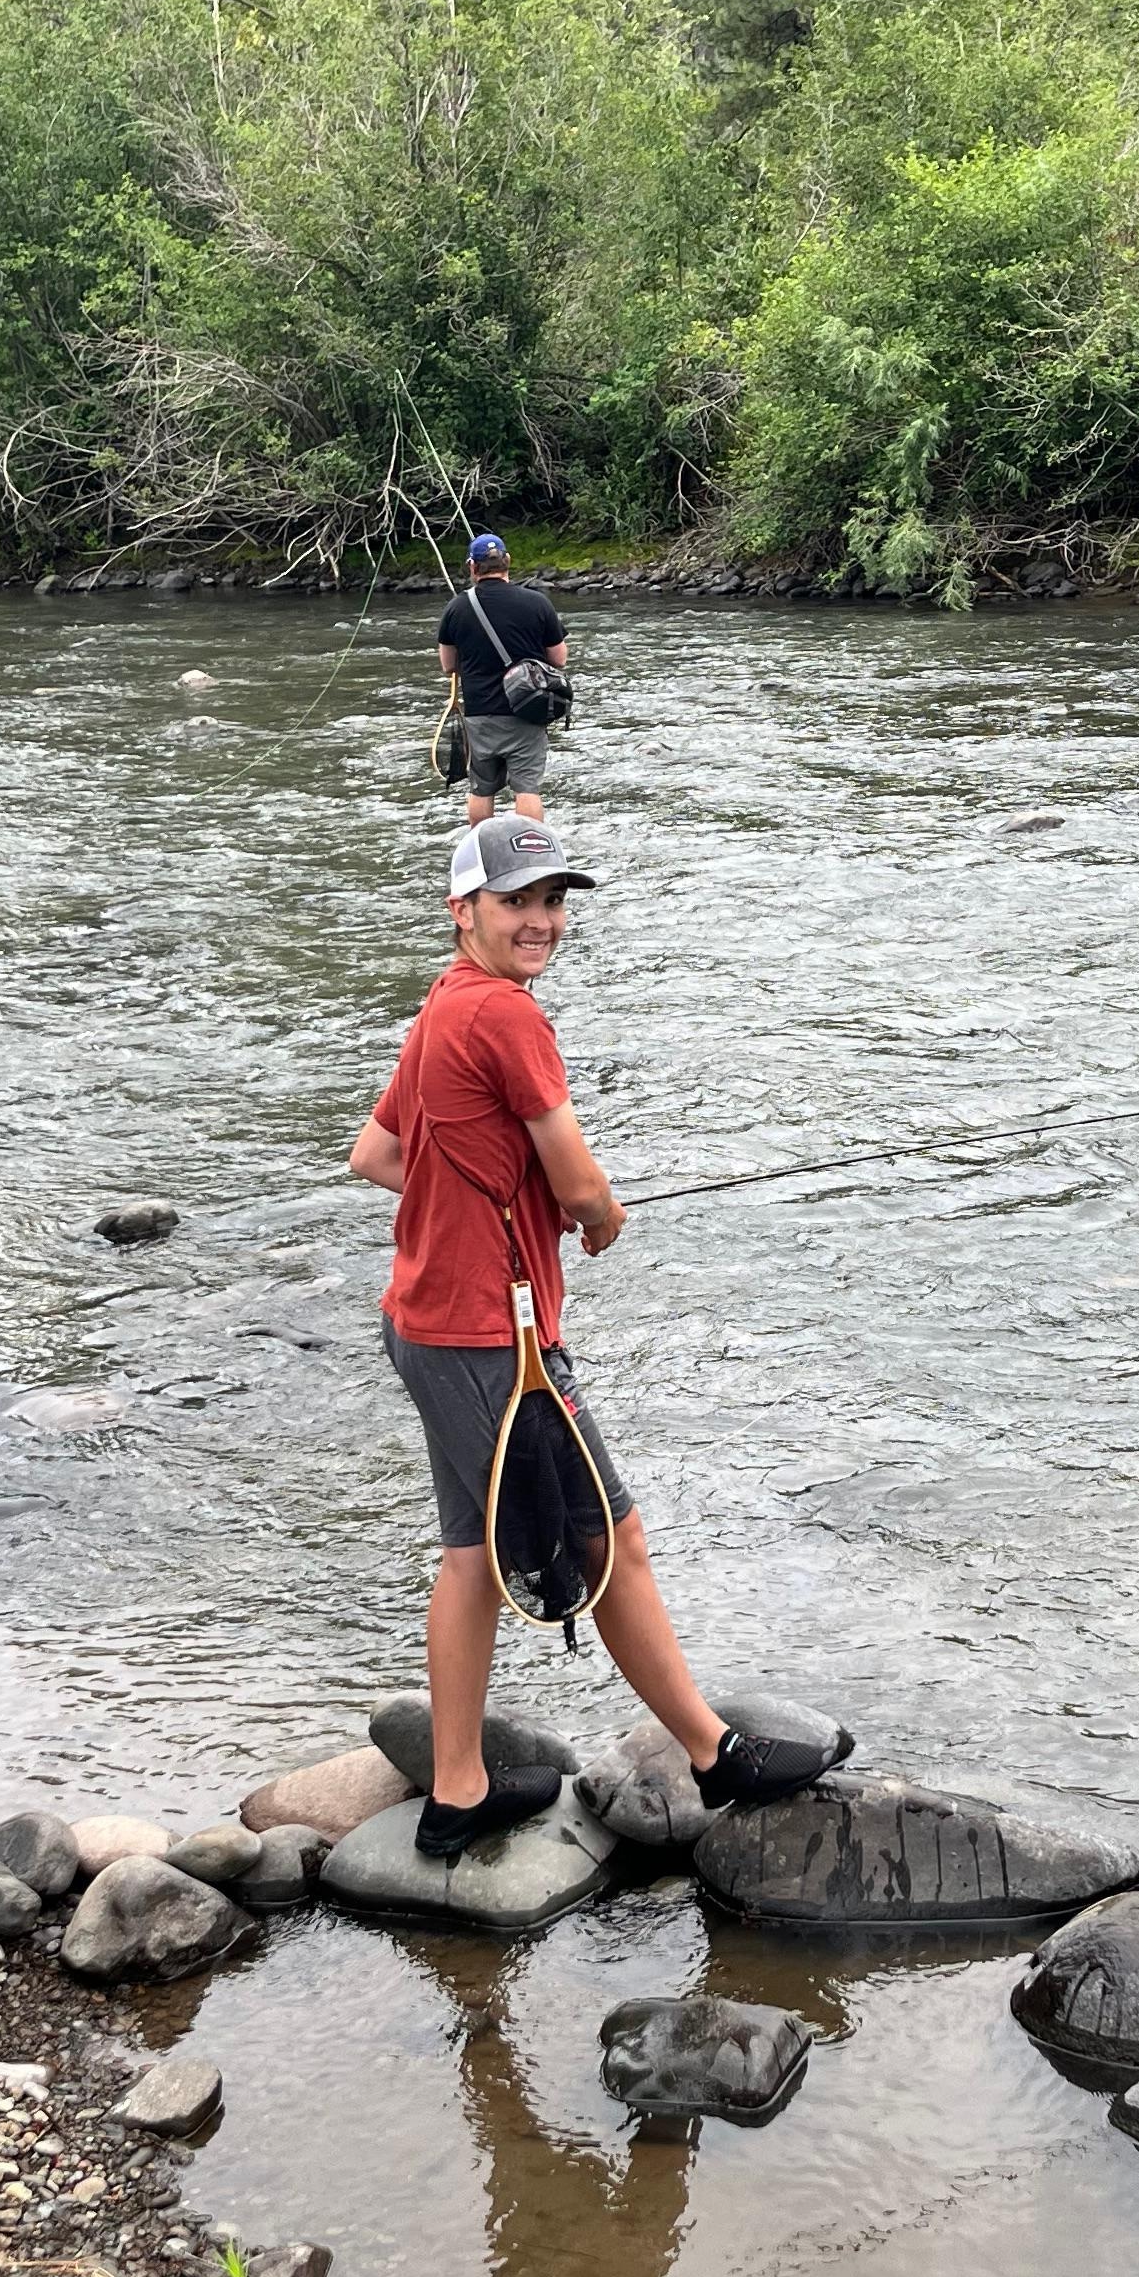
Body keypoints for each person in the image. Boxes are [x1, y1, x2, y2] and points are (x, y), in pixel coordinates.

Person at [348, 811, 840, 1855]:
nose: (540, 921)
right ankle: (717, 1760)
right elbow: (582, 1185)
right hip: (495, 1341)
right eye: (517, 902)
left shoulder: (442, 1007)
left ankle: (459, 1790)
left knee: (473, 1554)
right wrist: (593, 1217)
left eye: (553, 901)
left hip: (426, 1324)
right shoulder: (511, 1019)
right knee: (611, 1539)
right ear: (463, 910)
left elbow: (377, 1156)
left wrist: (490, 1198)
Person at [437, 532, 567, 826]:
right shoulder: (538, 603)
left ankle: (482, 851)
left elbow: (448, 666)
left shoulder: (456, 608)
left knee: (481, 789)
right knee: (527, 789)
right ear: (507, 562)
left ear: (472, 568)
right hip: (527, 711)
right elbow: (559, 659)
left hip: (480, 713)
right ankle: (532, 854)